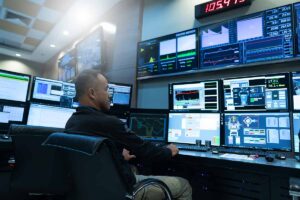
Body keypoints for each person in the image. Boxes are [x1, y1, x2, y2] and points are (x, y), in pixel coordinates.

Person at [65, 69, 192, 200]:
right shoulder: (109, 123)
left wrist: (116, 157)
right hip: (118, 190)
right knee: (184, 186)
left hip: (91, 189)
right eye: (106, 89)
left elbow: (91, 160)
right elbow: (147, 151)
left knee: (133, 168)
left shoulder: (72, 122)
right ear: (92, 93)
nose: (109, 95)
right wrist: (168, 151)